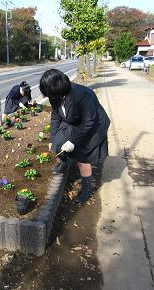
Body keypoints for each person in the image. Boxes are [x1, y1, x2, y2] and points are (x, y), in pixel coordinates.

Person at [39, 69, 110, 203]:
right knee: (58, 144)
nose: (49, 96)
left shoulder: (82, 94)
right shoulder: (54, 96)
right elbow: (55, 117)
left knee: (83, 158)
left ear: (58, 87)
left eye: (50, 93)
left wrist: (73, 141)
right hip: (74, 120)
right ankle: (65, 162)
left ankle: (86, 189)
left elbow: (89, 121)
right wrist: (53, 139)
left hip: (93, 125)